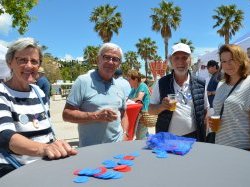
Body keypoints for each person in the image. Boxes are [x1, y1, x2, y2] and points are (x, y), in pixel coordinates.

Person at [0, 38, 77, 177]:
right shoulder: (2, 92)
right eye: (22, 60)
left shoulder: (38, 91)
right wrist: (45, 148)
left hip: (44, 166)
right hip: (14, 171)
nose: (29, 66)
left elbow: (45, 131)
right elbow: (6, 137)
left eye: (34, 61)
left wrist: (56, 146)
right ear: (10, 62)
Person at [62, 43, 129, 147]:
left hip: (117, 147)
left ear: (119, 64)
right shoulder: (83, 81)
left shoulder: (119, 86)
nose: (111, 62)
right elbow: (66, 114)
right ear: (98, 59)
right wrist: (96, 116)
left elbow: (124, 114)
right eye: (106, 57)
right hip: (90, 150)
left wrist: (125, 135)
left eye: (115, 59)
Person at [149, 43, 209, 141]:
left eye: (184, 57)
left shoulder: (201, 83)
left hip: (193, 138)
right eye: (176, 58)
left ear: (190, 60)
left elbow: (205, 111)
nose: (181, 62)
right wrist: (162, 107)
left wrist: (204, 136)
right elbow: (150, 109)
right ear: (171, 62)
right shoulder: (162, 83)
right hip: (167, 138)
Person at [210, 44, 250, 150]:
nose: (228, 64)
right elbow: (219, 113)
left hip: (242, 149)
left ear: (241, 60)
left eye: (232, 59)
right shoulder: (221, 85)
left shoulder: (248, 84)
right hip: (220, 145)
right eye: (223, 61)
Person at [127, 70, 150, 140]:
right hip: (136, 115)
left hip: (143, 115)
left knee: (140, 136)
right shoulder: (134, 88)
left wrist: (129, 101)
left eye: (129, 79)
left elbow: (139, 99)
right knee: (142, 134)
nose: (128, 81)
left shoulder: (142, 86)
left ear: (136, 79)